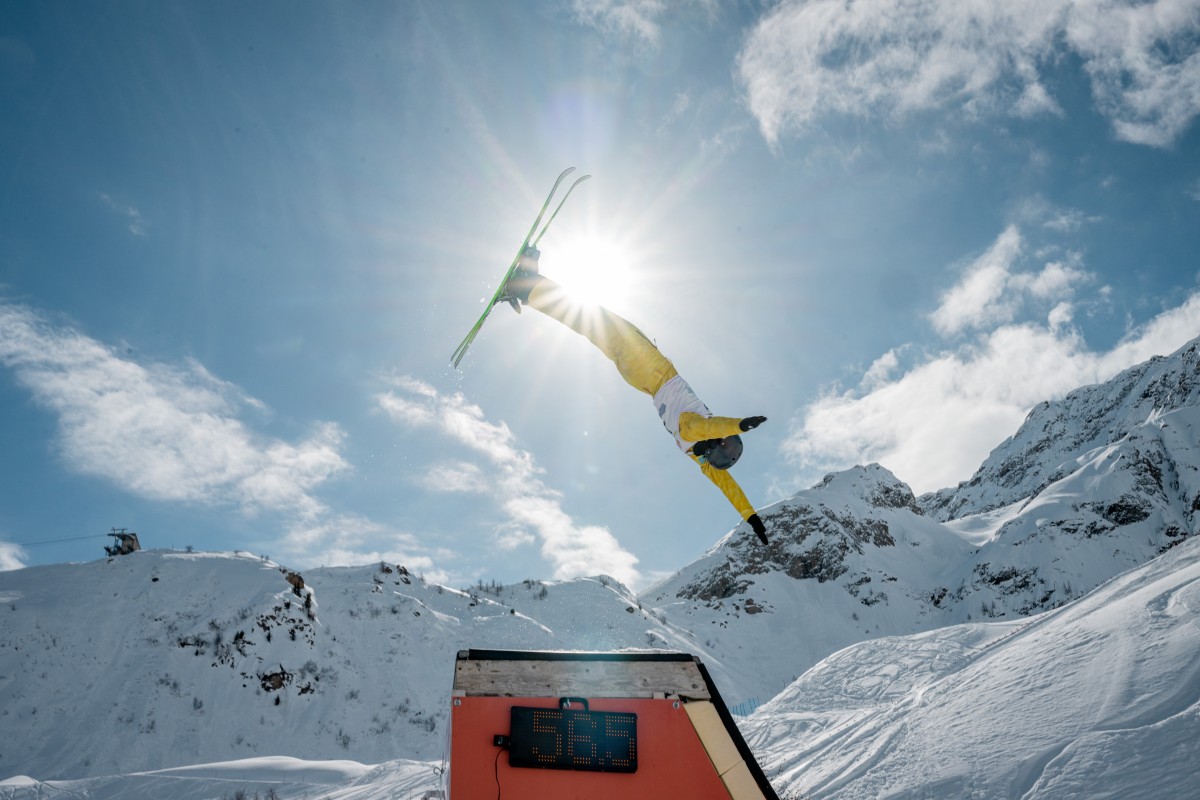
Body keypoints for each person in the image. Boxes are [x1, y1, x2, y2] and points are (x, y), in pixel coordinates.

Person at [501, 246, 770, 545]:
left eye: (724, 436)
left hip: (652, 369)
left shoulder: (692, 428)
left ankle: (526, 285)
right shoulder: (697, 456)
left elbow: (715, 425)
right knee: (592, 326)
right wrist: (752, 517)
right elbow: (728, 487)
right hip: (642, 381)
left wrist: (742, 424)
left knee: (593, 317)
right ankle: (530, 287)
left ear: (720, 441)